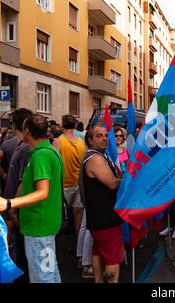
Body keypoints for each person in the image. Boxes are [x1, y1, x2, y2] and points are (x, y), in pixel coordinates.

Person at [0, 115, 64, 283]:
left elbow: (43, 192)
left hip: (39, 226)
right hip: (41, 223)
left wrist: (8, 203)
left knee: (42, 277)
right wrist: (14, 208)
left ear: (27, 131)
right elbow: (26, 183)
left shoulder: (41, 156)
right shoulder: (45, 152)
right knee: (50, 273)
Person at [82, 124, 124, 283]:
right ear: (90, 140)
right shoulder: (95, 159)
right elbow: (112, 183)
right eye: (99, 136)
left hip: (99, 218)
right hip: (105, 218)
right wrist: (129, 179)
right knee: (113, 258)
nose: (104, 139)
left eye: (106, 135)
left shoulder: (97, 155)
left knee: (98, 252)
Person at [4, 108, 33, 282]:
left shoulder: (25, 149)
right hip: (16, 205)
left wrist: (13, 207)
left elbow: (23, 181)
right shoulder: (20, 146)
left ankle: (24, 277)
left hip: (20, 208)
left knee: (24, 250)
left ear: (15, 124)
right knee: (21, 250)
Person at [53, 115, 86, 243]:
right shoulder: (81, 142)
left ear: (62, 125)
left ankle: (54, 245)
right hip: (78, 184)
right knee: (78, 215)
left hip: (63, 185)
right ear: (75, 126)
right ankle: (79, 246)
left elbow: (54, 164)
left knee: (59, 216)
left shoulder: (58, 142)